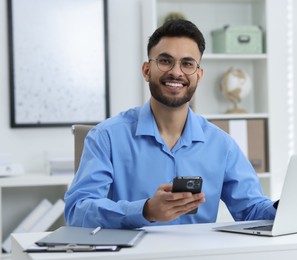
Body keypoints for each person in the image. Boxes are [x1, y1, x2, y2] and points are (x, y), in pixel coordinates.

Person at [64, 19, 277, 229]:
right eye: (165, 61)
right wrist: (144, 210)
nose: (176, 72)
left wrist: (285, 208)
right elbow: (77, 210)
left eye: (187, 63)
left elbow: (253, 210)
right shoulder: (106, 137)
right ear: (147, 70)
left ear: (198, 75)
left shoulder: (221, 145)